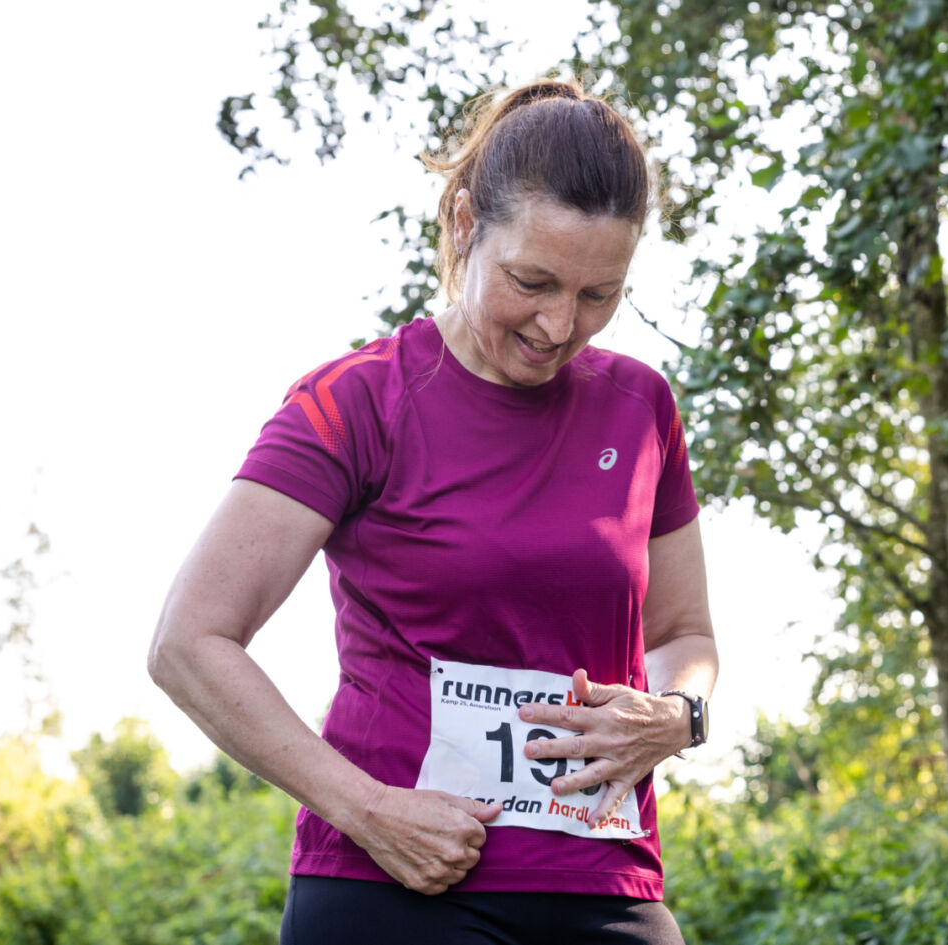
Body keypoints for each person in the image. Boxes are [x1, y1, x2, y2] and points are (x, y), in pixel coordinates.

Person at [147, 77, 717, 944]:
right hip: (395, 889)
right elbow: (188, 644)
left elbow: (686, 635)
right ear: (462, 225)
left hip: (607, 884)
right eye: (533, 281)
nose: (561, 324)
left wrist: (677, 715)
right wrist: (368, 810)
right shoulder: (357, 402)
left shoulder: (642, 407)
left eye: (600, 294)